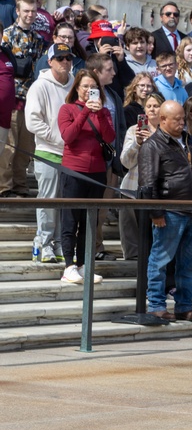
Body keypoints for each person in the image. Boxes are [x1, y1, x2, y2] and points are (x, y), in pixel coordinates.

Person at [138, 100, 192, 322]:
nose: (180, 122)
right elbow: (147, 184)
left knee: (189, 265)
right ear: (162, 120)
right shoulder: (153, 145)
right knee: (160, 261)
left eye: (182, 118)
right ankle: (157, 305)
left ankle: (184, 306)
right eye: (175, 119)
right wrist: (155, 212)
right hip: (169, 211)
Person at [57, 70, 113, 284]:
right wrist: (84, 112)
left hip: (97, 172)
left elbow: (109, 137)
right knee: (70, 219)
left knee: (89, 220)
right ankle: (68, 265)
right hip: (74, 170)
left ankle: (83, 264)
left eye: (93, 87)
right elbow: (68, 136)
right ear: (77, 88)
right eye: (85, 87)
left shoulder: (104, 111)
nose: (89, 91)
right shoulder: (67, 109)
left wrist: (98, 113)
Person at [25, 43, 76, 263]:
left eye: (68, 57)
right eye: (60, 58)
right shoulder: (39, 86)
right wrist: (59, 138)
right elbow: (33, 122)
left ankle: (58, 244)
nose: (65, 61)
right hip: (47, 151)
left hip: (71, 154)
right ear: (50, 61)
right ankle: (43, 243)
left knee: (65, 202)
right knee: (48, 199)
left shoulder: (75, 83)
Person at [0, 0, 46, 198]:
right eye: (26, 10)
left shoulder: (39, 39)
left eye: (33, 11)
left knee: (25, 148)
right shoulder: (7, 35)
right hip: (12, 99)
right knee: (8, 148)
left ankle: (20, 185)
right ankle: (4, 186)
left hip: (31, 100)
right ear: (17, 11)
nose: (30, 14)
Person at [119, 92, 164, 261]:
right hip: (131, 188)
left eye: (156, 106)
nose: (152, 109)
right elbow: (126, 162)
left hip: (157, 190)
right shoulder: (133, 130)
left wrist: (153, 141)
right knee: (132, 239)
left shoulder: (167, 131)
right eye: (149, 106)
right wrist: (137, 143)